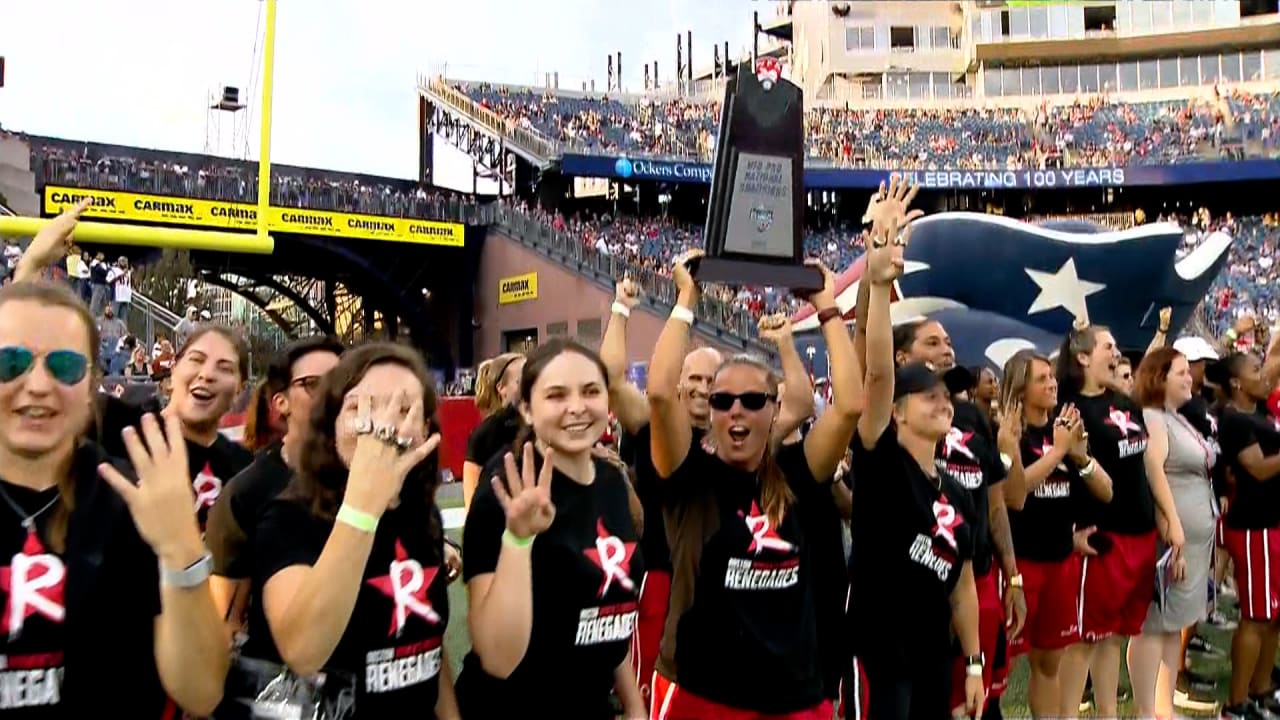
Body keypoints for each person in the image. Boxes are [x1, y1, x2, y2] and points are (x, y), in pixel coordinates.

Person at [645, 245, 859, 720]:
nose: (735, 409)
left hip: (795, 696)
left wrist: (828, 306)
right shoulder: (689, 477)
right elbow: (660, 393)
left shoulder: (796, 473)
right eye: (721, 401)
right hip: (704, 695)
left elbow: (848, 405)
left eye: (751, 399)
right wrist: (686, 298)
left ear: (773, 409)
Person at [0, 278, 230, 717]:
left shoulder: (131, 500)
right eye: (11, 363)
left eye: (64, 367)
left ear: (91, 388)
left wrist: (181, 547)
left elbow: (201, 691)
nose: (38, 385)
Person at [250, 343, 456, 718]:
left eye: (405, 408)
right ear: (330, 425)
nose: (383, 423)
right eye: (362, 407)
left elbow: (427, 649)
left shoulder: (422, 516)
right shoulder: (288, 517)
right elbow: (303, 650)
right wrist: (363, 506)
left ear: (426, 429)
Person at [847, 178, 982, 720]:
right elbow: (878, 370)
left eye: (943, 393)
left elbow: (963, 584)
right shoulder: (880, 457)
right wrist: (878, 284)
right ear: (897, 410)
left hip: (933, 653)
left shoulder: (954, 489)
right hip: (878, 650)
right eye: (924, 394)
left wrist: (972, 663)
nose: (939, 400)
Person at [456, 338, 645, 719]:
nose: (577, 407)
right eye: (556, 395)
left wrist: (635, 705)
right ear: (526, 408)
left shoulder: (610, 478)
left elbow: (609, 612)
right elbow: (496, 657)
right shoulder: (505, 489)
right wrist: (518, 538)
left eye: (591, 391)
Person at [999, 350, 1113, 718]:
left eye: (1052, 377)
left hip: (1060, 562)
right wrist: (1058, 453)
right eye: (1041, 379)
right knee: (999, 667)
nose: (1052, 384)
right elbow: (1012, 494)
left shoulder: (1062, 431)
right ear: (1020, 387)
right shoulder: (1008, 433)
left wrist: (1079, 458)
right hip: (1019, 565)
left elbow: (1106, 491)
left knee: (1049, 664)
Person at [207, 335, 344, 635]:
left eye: (342, 382)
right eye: (314, 384)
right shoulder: (247, 493)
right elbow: (225, 624)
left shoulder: (369, 477)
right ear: (280, 402)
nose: (333, 395)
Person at [1055, 324, 1158, 720]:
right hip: (1102, 538)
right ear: (1082, 357)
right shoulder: (1067, 406)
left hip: (1140, 532)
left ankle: (1107, 714)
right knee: (1083, 639)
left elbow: (1142, 462)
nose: (1116, 352)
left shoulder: (1124, 402)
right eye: (1108, 345)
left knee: (1114, 635)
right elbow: (1055, 474)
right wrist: (1068, 531)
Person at [1128, 347, 1218, 720]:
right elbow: (1154, 470)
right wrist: (1173, 526)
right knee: (1153, 625)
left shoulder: (1176, 417)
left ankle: (1163, 708)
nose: (1188, 377)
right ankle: (1146, 710)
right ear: (1159, 378)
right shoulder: (1153, 417)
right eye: (1180, 372)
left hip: (1193, 539)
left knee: (1171, 625)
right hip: (1173, 540)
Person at [1212, 351, 1280, 720]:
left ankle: (1262, 687)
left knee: (1273, 615)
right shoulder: (1235, 421)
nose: (1263, 375)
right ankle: (1235, 705)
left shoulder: (1259, 413)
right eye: (1255, 370)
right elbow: (1257, 469)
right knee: (1255, 617)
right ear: (1236, 382)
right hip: (1254, 526)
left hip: (1272, 523)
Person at [462, 351, 524, 511]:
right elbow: (472, 501)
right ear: (501, 388)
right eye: (520, 382)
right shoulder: (483, 435)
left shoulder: (538, 427)